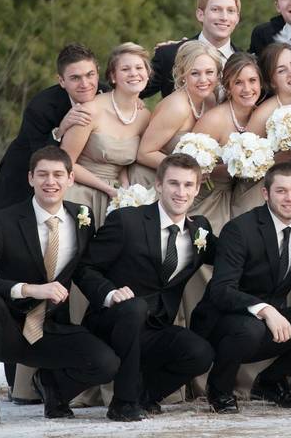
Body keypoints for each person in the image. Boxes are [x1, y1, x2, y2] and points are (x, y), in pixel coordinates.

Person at [0, 146, 119, 428]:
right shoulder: (3, 222)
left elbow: (83, 271)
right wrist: (28, 289)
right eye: (42, 174)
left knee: (106, 363)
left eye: (58, 174)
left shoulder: (83, 217)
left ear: (71, 179)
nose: (50, 181)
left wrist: (109, 293)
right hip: (7, 329)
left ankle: (54, 388)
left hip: (52, 328)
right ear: (30, 178)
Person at [74, 153, 218, 421]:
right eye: (174, 183)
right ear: (159, 185)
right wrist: (109, 293)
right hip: (114, 321)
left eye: (188, 185)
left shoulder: (200, 230)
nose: (181, 192)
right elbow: (84, 267)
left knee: (200, 353)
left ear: (197, 189)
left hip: (155, 328)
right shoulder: (128, 221)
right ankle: (123, 403)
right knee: (134, 307)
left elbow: (229, 258)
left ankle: (142, 395)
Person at [190, 162, 291, 414]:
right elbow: (221, 290)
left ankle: (271, 383)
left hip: (268, 327)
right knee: (249, 328)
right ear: (266, 193)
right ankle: (219, 389)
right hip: (224, 323)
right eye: (281, 191)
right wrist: (265, 310)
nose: (289, 198)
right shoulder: (240, 230)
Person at [0, 44, 102, 213]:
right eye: (75, 78)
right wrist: (60, 129)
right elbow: (39, 156)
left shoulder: (106, 94)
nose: (85, 84)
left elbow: (135, 84)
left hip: (70, 182)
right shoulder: (40, 107)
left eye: (90, 75)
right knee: (7, 233)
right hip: (21, 177)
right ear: (62, 81)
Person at [61, 43, 152, 231]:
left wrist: (126, 191)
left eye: (139, 68)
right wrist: (108, 189)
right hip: (81, 192)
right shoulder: (89, 111)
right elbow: (66, 163)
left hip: (117, 196)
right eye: (125, 69)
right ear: (112, 76)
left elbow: (126, 164)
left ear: (147, 73)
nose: (134, 73)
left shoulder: (144, 116)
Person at [131, 41, 223, 188]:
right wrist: (188, 171)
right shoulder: (177, 107)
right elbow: (144, 154)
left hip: (183, 186)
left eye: (209, 72)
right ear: (182, 74)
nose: (203, 80)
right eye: (195, 73)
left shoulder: (210, 100)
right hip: (151, 182)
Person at [193, 52, 265, 220]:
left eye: (252, 81)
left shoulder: (260, 117)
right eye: (238, 83)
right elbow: (187, 168)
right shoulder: (215, 120)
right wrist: (235, 168)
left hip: (240, 198)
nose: (247, 89)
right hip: (206, 199)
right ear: (228, 86)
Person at [143, 0, 242, 98]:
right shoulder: (170, 55)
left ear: (237, 18)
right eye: (216, 9)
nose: (224, 17)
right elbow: (132, 91)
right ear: (200, 15)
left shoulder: (246, 61)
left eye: (230, 11)